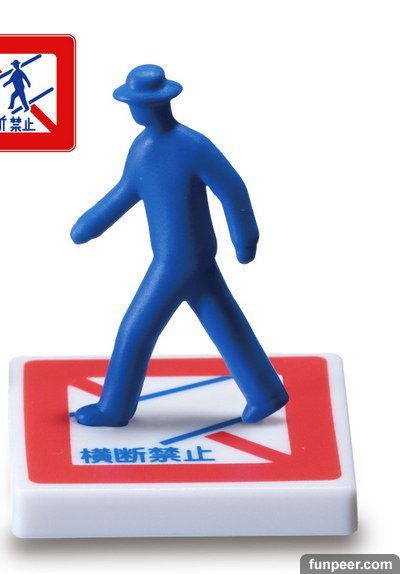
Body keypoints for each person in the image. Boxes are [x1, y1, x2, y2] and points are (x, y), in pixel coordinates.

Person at [71, 64, 289, 426]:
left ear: (149, 106)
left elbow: (231, 187)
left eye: (134, 104)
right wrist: (90, 224)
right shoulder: (142, 150)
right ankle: (266, 393)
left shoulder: (192, 145)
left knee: (135, 330)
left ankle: (115, 408)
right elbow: (126, 191)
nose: (132, 110)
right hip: (191, 259)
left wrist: (245, 237)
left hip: (175, 262)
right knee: (224, 322)